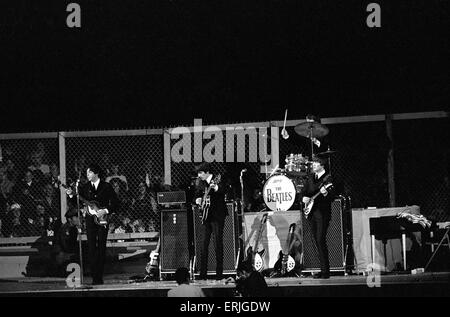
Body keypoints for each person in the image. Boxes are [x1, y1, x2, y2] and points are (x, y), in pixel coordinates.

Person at [65, 163, 119, 285]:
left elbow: (116, 202)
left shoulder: (106, 186)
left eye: (89, 172)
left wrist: (105, 211)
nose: (87, 174)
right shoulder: (85, 187)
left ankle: (99, 275)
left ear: (96, 173)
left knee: (101, 247)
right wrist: (70, 194)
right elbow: (77, 200)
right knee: (91, 247)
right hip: (90, 220)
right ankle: (95, 276)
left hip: (102, 220)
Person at [300, 155, 335, 279]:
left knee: (320, 240)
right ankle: (323, 269)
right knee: (316, 241)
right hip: (311, 213)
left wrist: (326, 193)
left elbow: (332, 195)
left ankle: (326, 271)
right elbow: (304, 191)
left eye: (316, 163)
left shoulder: (328, 178)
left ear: (322, 165)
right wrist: (303, 197)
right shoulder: (311, 177)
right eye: (313, 163)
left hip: (322, 214)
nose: (313, 165)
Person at [194, 163, 228, 280]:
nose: (199, 175)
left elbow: (224, 189)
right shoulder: (200, 183)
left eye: (200, 173)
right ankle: (203, 273)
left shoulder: (217, 179)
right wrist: (198, 200)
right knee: (203, 244)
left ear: (207, 172)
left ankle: (219, 273)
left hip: (217, 216)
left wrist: (216, 188)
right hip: (205, 216)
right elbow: (197, 195)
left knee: (217, 243)